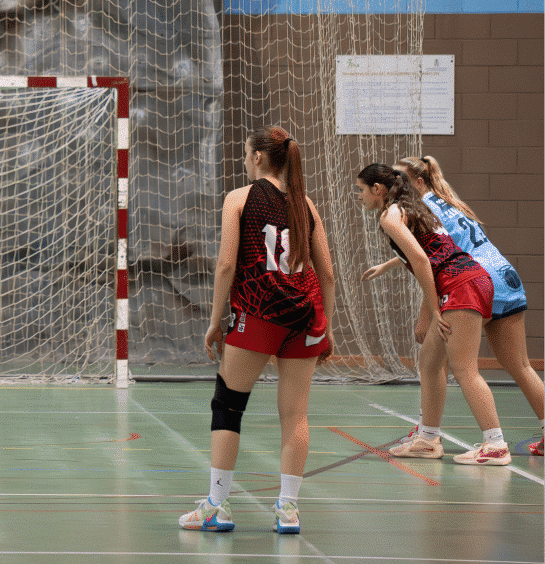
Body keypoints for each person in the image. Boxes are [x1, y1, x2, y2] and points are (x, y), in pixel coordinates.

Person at [179, 127, 336, 535]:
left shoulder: (239, 198)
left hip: (261, 311)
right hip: (306, 317)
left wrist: (216, 320)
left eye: (247, 154)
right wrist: (327, 327)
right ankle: (288, 509)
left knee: (228, 406)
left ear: (260, 158)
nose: (245, 160)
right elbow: (329, 275)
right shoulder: (307, 205)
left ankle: (216, 505)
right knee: (295, 414)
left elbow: (226, 266)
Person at [379, 156, 544, 459]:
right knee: (519, 366)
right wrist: (390, 264)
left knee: (444, 362)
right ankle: (429, 433)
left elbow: (431, 259)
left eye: (399, 179)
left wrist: (424, 316)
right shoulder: (448, 202)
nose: (395, 185)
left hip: (475, 282)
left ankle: (439, 434)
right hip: (505, 275)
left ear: (416, 182)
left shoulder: (418, 208)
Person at [356, 163, 510, 466]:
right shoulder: (414, 209)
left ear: (377, 189)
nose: (359, 196)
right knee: (429, 362)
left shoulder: (390, 216)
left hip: (461, 285)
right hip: (470, 279)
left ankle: (495, 445)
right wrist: (388, 265)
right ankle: (427, 440)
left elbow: (424, 262)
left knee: (464, 369)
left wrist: (433, 310)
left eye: (360, 190)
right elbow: (432, 252)